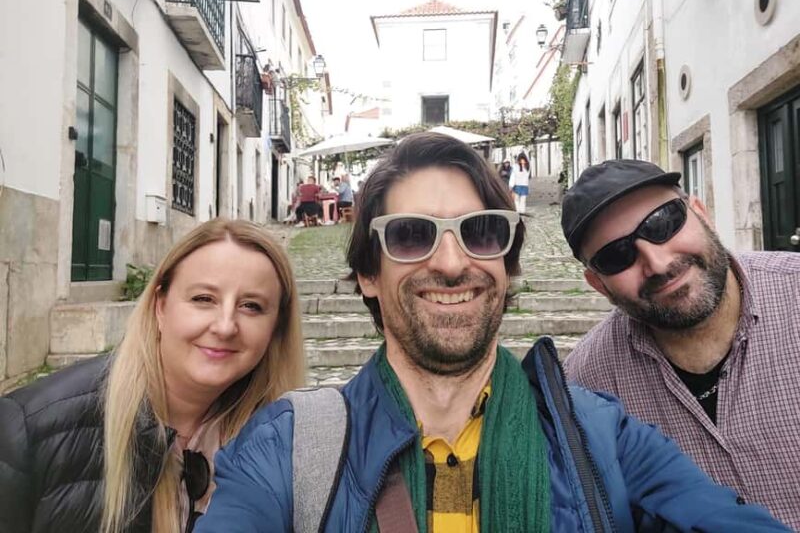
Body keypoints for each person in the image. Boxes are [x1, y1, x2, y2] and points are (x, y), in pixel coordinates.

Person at [196, 134, 788, 532]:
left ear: (507, 268)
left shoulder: (598, 434)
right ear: (368, 276)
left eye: (481, 232)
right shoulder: (286, 449)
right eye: (410, 235)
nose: (452, 263)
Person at [0, 219, 305, 533]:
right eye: (203, 299)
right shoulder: (27, 430)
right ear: (161, 306)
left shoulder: (287, 446)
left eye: (251, 306)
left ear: (276, 328)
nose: (225, 326)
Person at [559, 158, 800, 530]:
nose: (656, 263)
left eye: (663, 223)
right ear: (599, 285)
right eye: (616, 256)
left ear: (701, 213)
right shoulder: (587, 384)